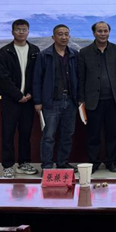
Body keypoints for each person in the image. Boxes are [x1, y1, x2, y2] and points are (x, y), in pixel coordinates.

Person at [0, 19, 41, 178]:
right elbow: (3, 77)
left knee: (26, 133)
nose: (21, 32)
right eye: (18, 29)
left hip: (28, 101)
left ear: (28, 31)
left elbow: (38, 74)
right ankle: (8, 165)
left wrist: (31, 94)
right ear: (12, 32)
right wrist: (18, 95)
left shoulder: (34, 50)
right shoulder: (5, 51)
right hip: (11, 101)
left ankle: (24, 163)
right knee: (8, 133)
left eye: (24, 29)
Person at [33, 24, 79, 172]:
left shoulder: (74, 55)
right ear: (53, 37)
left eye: (66, 34)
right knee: (48, 136)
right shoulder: (44, 55)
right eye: (60, 34)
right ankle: (47, 166)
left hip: (70, 101)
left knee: (67, 135)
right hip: (51, 101)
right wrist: (38, 101)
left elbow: (79, 77)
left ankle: (62, 162)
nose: (63, 37)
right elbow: (37, 80)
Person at [78, 21, 116, 173]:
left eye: (105, 31)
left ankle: (111, 162)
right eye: (99, 31)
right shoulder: (84, 52)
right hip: (92, 100)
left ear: (109, 32)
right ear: (94, 33)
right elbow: (81, 78)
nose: (103, 34)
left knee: (112, 134)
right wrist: (81, 99)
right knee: (93, 134)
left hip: (113, 100)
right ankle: (94, 162)